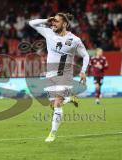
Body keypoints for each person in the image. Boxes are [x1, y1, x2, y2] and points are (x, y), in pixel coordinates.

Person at [29, 12, 90, 142]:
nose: (54, 23)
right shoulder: (49, 32)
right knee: (52, 104)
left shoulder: (74, 40)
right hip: (50, 74)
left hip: (65, 75)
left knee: (57, 104)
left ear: (65, 24)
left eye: (57, 21)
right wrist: (47, 19)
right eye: (53, 21)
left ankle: (52, 133)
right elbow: (31, 23)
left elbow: (86, 55)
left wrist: (83, 71)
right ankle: (69, 98)